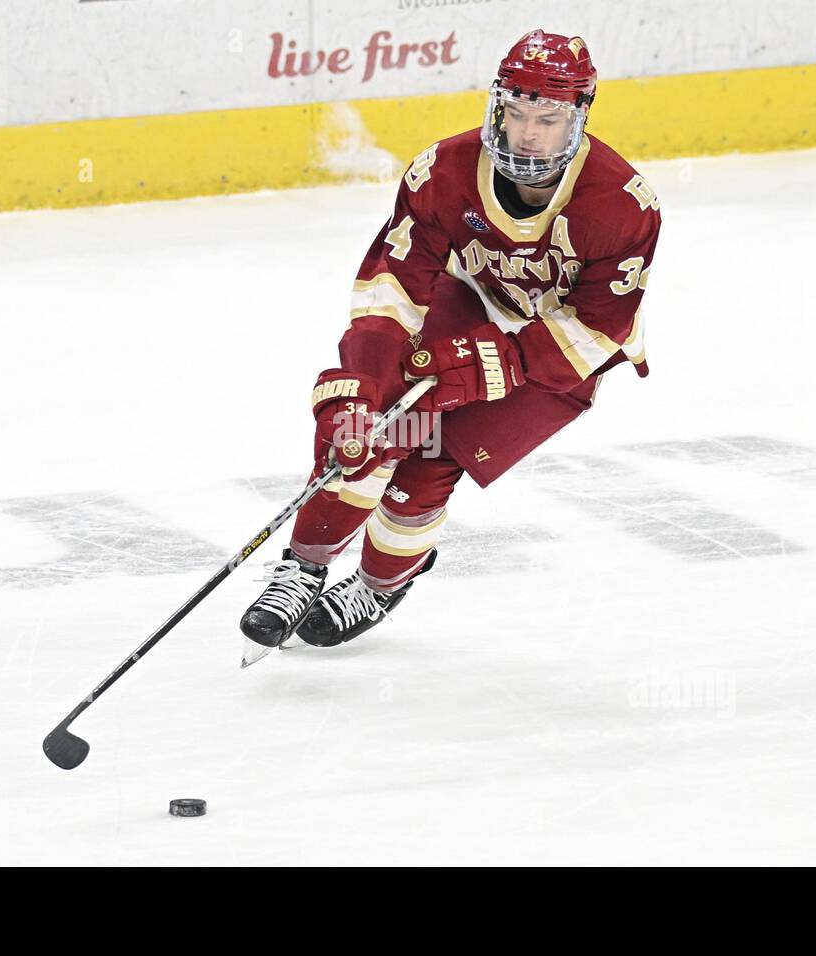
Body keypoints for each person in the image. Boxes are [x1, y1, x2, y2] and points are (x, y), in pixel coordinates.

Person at [241, 28, 661, 652]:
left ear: (580, 114)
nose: (527, 134)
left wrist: (501, 362)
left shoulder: (623, 206)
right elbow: (392, 289)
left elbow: (601, 325)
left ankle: (382, 585)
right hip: (468, 302)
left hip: (560, 355)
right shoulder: (444, 171)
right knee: (375, 428)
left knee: (431, 460)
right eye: (515, 113)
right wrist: (365, 385)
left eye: (547, 118)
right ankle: (302, 566)